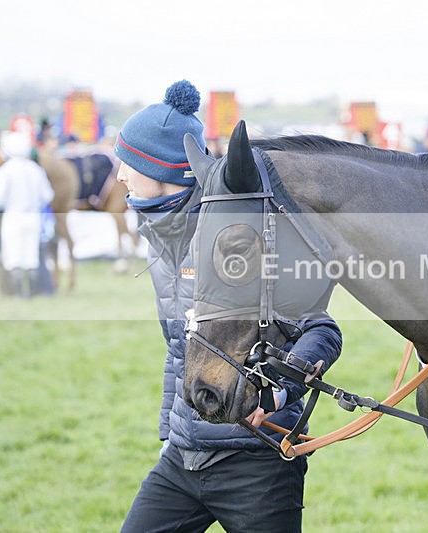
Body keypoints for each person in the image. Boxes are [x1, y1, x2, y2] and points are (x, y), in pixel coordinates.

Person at [115, 80, 342, 533]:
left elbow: (321, 329)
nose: (119, 174)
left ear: (160, 169)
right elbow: (182, 350)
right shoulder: (160, 238)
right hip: (182, 458)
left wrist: (279, 390)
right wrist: (171, 434)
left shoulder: (243, 235)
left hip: (256, 464)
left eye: (127, 162)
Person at [0, 131, 54, 298]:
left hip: (13, 217)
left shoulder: (5, 170)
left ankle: (19, 293)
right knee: (31, 256)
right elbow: (47, 195)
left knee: (14, 255)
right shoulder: (35, 169)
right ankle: (31, 292)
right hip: (33, 217)